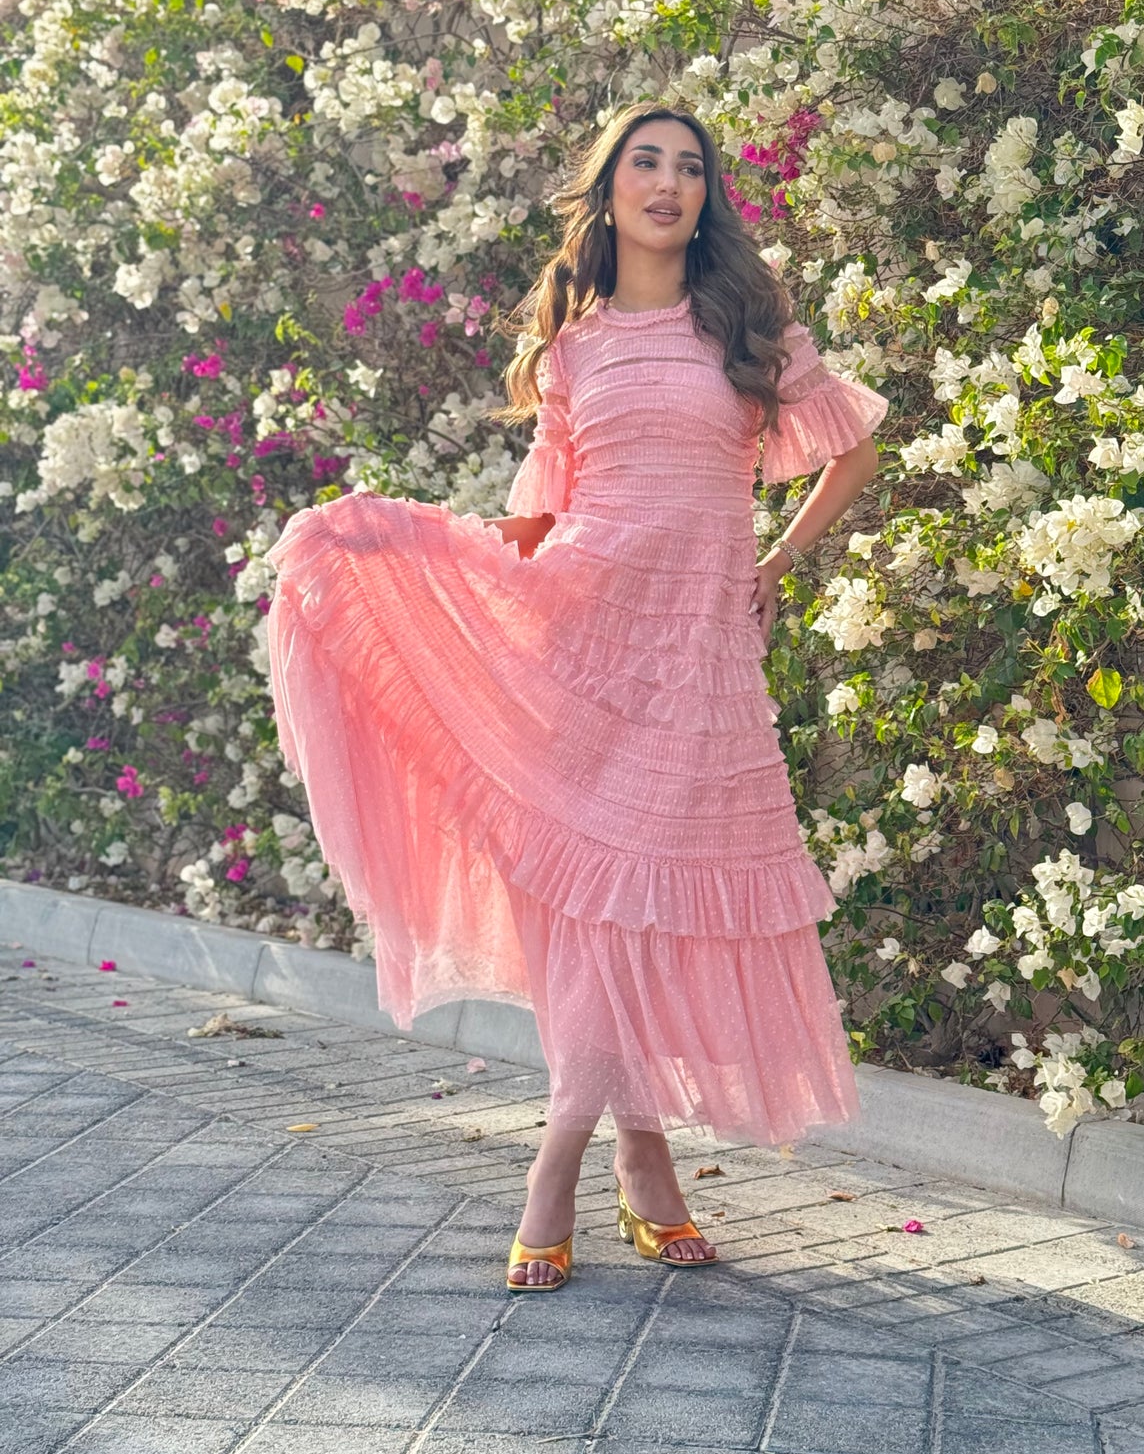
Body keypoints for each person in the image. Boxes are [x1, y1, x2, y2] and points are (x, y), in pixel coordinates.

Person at [264, 99, 890, 1291]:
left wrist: (772, 565)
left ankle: (596, 1158)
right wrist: (410, 559)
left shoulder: (747, 328)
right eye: (644, 163)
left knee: (644, 898)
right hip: (583, 640)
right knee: (600, 903)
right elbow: (538, 517)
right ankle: (606, 1160)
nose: (667, 183)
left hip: (699, 656)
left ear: (707, 197)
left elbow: (849, 448)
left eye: (689, 168)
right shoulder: (573, 345)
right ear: (607, 191)